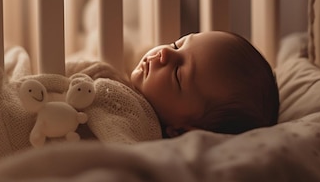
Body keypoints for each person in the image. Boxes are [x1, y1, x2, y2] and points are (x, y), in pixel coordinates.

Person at [71, 30, 279, 139]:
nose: (164, 53)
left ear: (182, 131)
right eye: (177, 44)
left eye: (178, 74)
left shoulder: (139, 125)